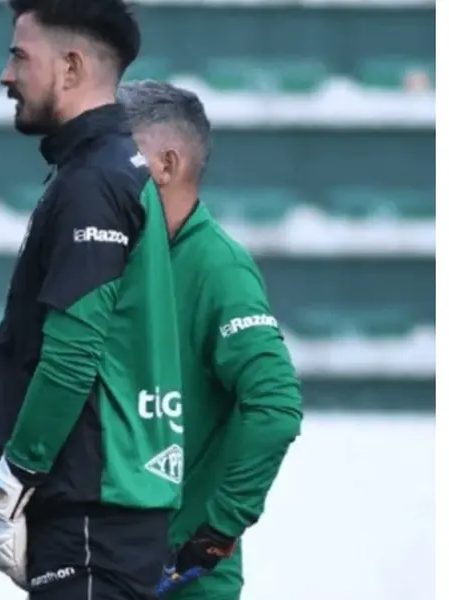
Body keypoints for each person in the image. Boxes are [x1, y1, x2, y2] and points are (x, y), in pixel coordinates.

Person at [0, 0, 187, 599]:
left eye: (19, 57)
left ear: (70, 68)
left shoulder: (93, 181)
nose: (6, 76)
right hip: (109, 512)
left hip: (92, 515)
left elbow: (71, 355)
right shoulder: (110, 169)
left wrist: (12, 482)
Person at [117, 79, 304, 600]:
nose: (101, 172)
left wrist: (217, 531)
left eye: (120, 156)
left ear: (167, 164)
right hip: (98, 563)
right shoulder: (108, 253)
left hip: (181, 578)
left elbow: (275, 405)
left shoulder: (220, 269)